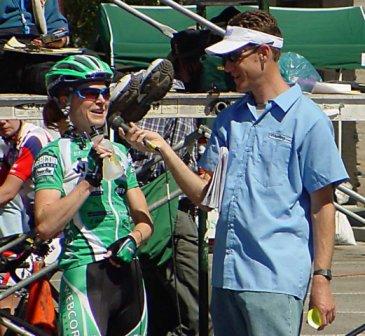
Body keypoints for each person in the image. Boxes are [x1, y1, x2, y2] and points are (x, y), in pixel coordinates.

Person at [120, 10, 349, 336]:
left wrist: (321, 279)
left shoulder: (309, 120)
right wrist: (164, 150)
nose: (226, 67)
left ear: (264, 54)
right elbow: (204, 195)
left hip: (276, 280)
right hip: (227, 280)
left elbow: (322, 206)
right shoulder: (229, 120)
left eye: (233, 57)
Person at [33, 54, 153, 335]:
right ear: (65, 100)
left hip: (129, 275)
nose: (101, 100)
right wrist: (87, 182)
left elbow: (145, 220)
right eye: (89, 93)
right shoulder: (53, 153)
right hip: (86, 274)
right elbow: (45, 225)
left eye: (105, 93)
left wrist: (133, 239)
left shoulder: (120, 152)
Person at [0, 119, 52, 335]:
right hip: (27, 226)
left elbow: (7, 192)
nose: (2, 120)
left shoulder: (33, 139)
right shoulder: (10, 141)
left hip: (47, 231)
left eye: (6, 113)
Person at [0, 0, 69, 94]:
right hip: (6, 46)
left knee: (89, 60)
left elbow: (57, 25)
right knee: (41, 75)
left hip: (37, 45)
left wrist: (56, 38)